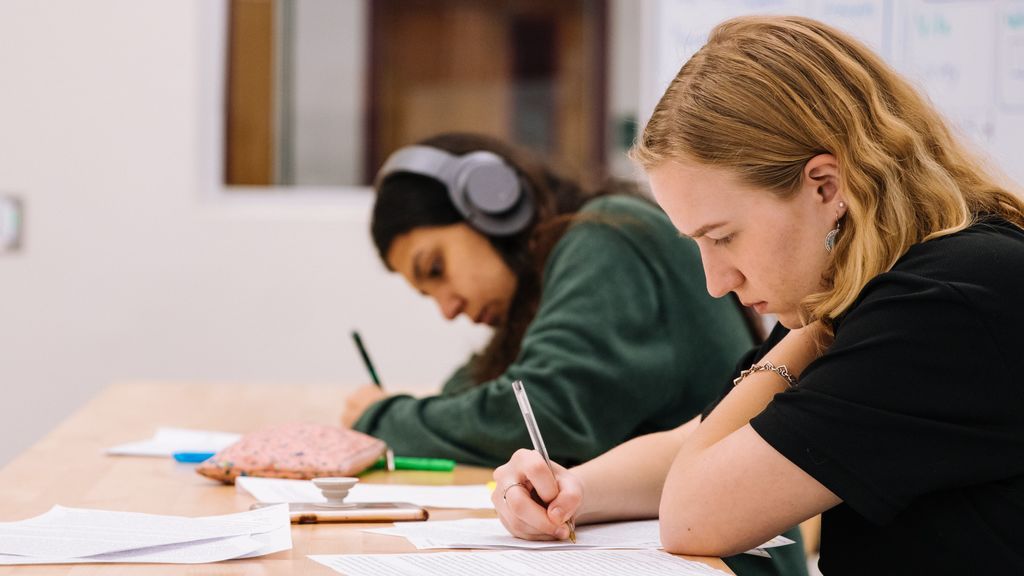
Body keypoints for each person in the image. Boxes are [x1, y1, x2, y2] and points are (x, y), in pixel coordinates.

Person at [491, 15, 1024, 576]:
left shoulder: (945, 301)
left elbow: (696, 514)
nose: (717, 282)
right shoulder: (880, 278)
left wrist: (808, 330)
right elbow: (710, 442)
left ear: (826, 186)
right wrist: (570, 488)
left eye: (723, 237)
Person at [342, 132, 757, 469]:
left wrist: (380, 418)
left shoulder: (609, 238)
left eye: (436, 269)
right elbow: (465, 399)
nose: (448, 310)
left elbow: (543, 416)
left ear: (492, 201)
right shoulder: (547, 282)